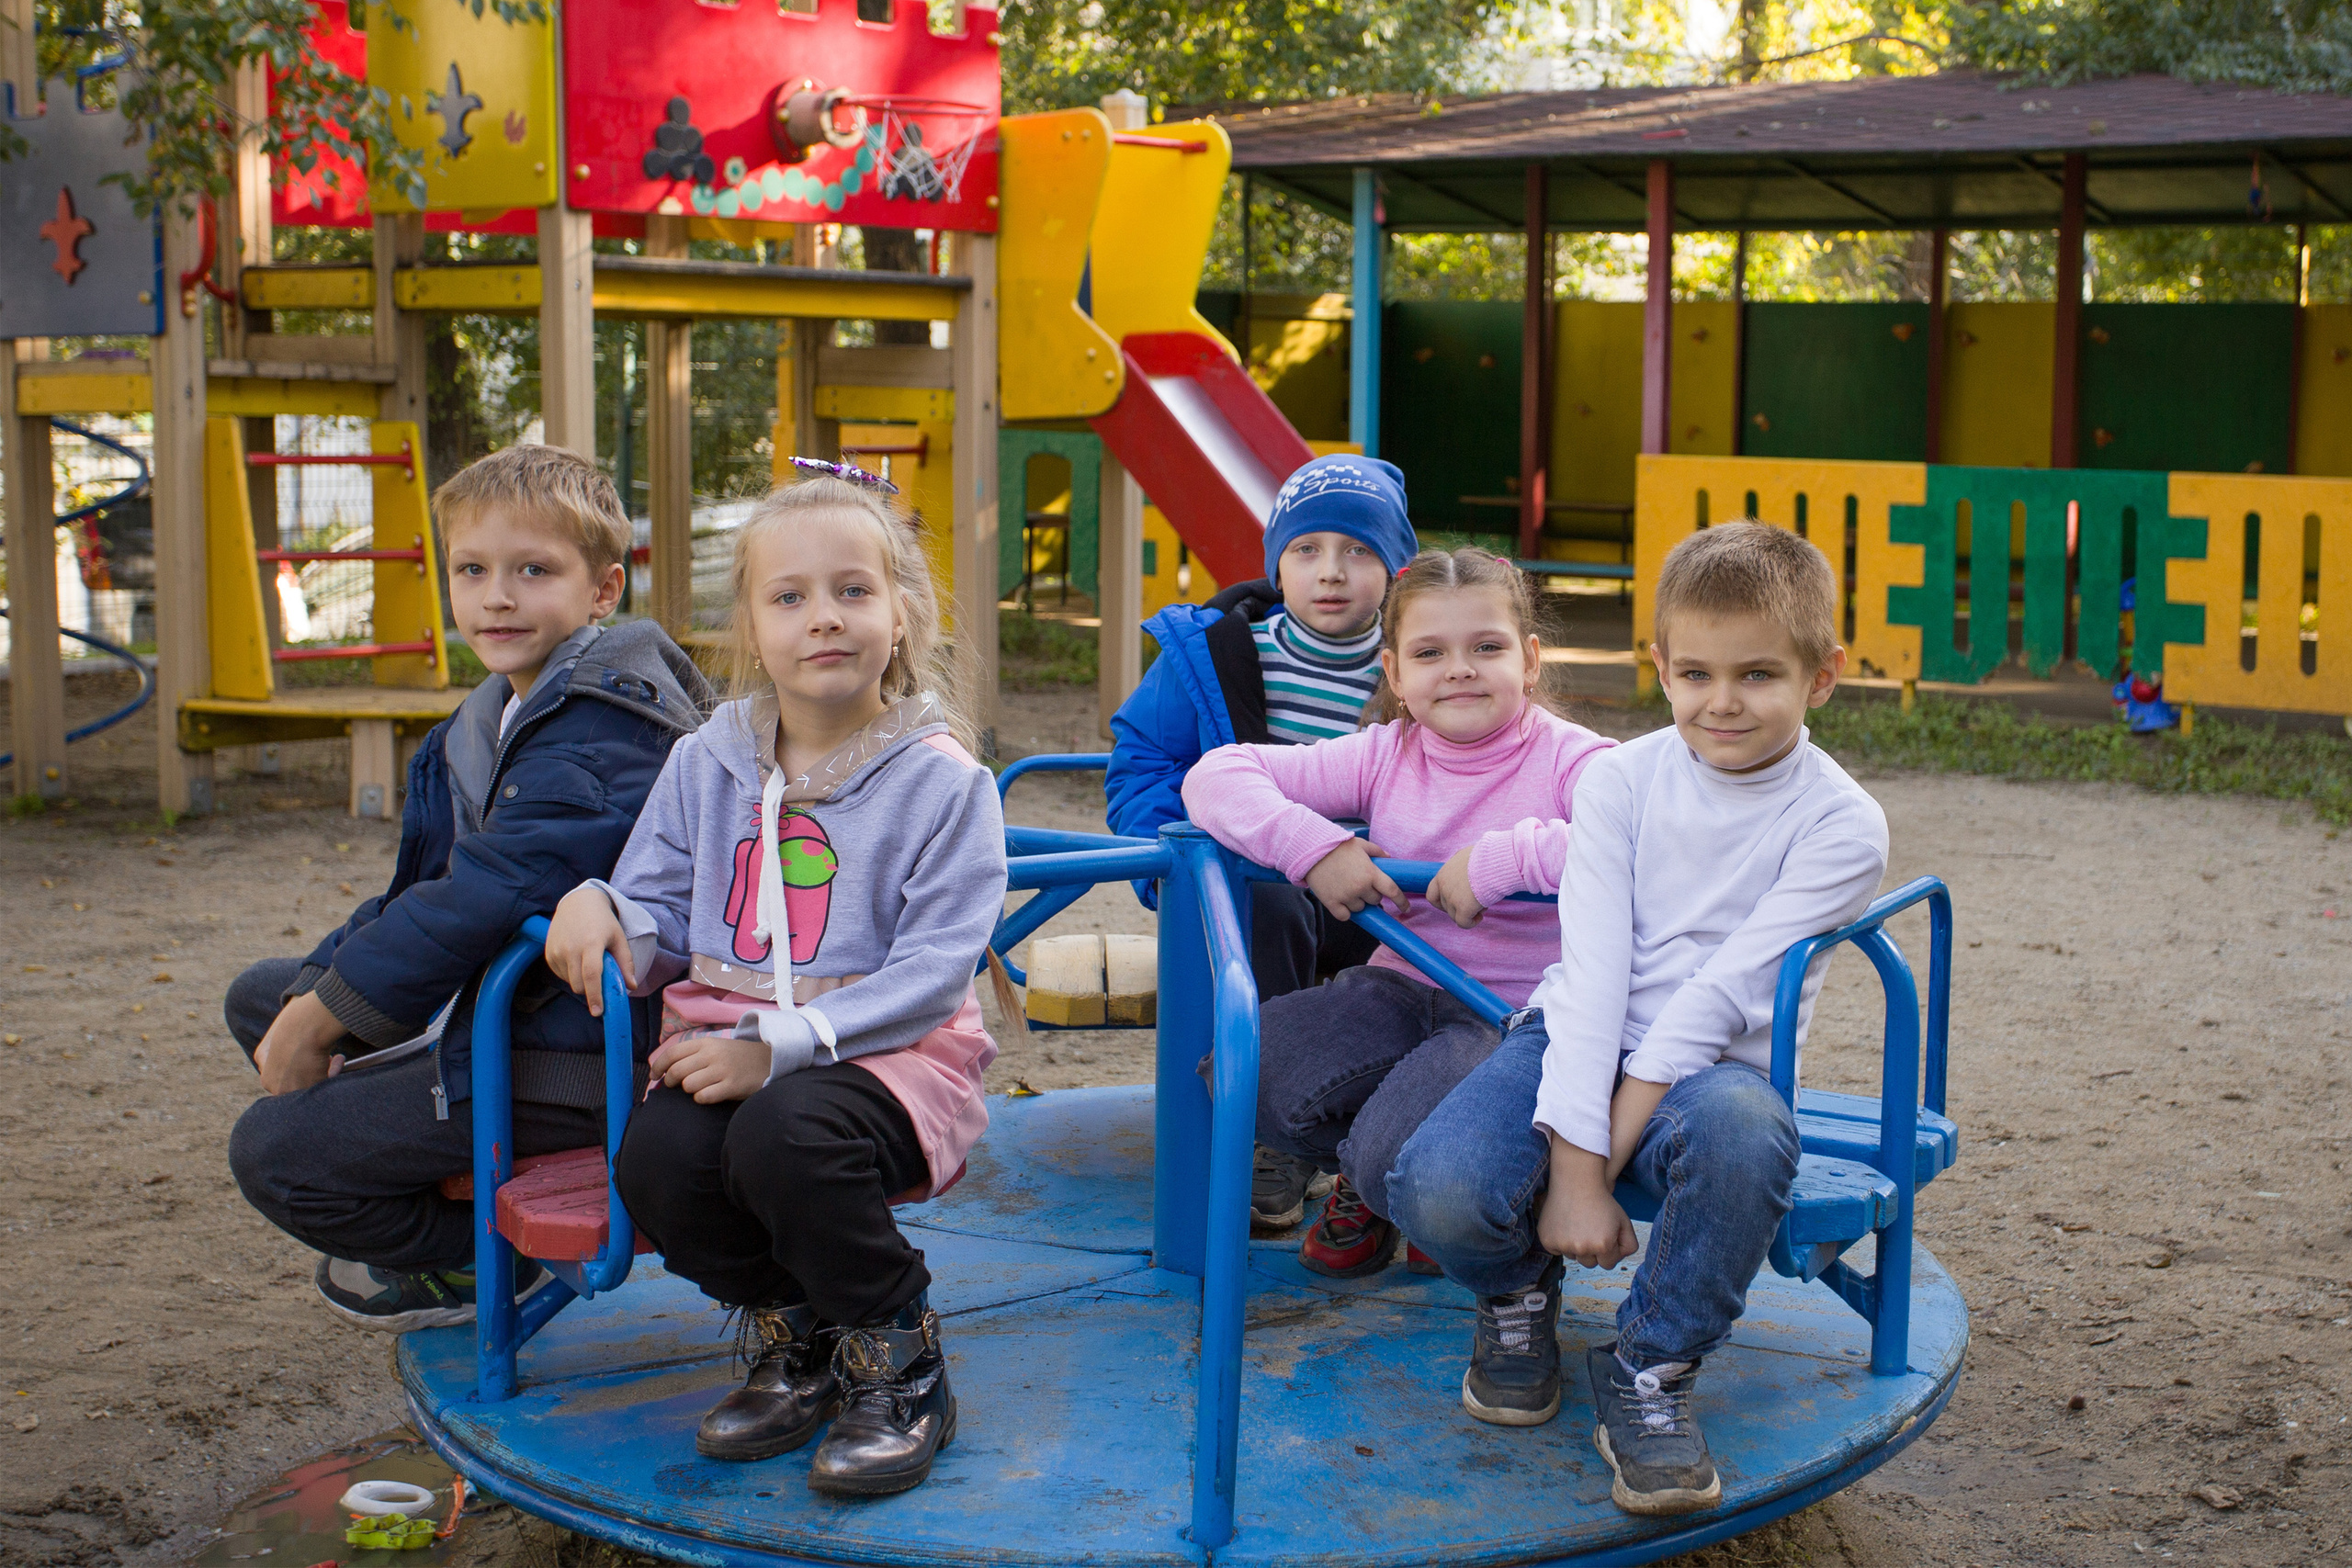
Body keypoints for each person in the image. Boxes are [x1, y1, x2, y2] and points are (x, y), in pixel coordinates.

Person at [1387, 523, 1890, 1515]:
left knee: (1747, 1138)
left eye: (1757, 675)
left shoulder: (1840, 822)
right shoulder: (1622, 778)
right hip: (1574, 1031)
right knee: (1434, 1190)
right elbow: (1595, 970)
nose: (1722, 702)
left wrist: (1590, 1165)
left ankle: (1651, 1367)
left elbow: (1715, 1000)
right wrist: (1571, 1164)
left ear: (1821, 676)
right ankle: (1517, 1292)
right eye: (1694, 673)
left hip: (1711, 1074)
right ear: (1657, 665)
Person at [543, 465, 1005, 1499]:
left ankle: (897, 1350)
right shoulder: (710, 758)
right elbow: (653, 902)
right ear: (752, 628)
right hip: (728, 1039)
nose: (823, 619)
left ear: (903, 615)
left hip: (890, 1056)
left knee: (783, 1136)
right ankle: (799, 1333)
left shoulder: (942, 782)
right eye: (788, 597)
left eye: (853, 591)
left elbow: (935, 974)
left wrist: (782, 1046)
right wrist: (602, 905)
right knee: (659, 1161)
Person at [225, 444, 713, 1331]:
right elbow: (424, 884)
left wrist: (324, 1017)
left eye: (534, 570)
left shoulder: (610, 721)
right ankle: (414, 1154)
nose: (499, 595)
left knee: (274, 1152)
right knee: (266, 996)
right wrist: (316, 998)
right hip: (519, 1008)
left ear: (603, 590)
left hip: (591, 1056)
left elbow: (479, 896)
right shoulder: (496, 712)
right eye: (473, 569)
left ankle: (479, 1257)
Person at [1181, 548, 1611, 1282]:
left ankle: (1422, 1197)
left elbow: (1638, 832)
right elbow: (1215, 774)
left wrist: (1502, 861)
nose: (1459, 669)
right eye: (1430, 652)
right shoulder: (1386, 753)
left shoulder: (1572, 758)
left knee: (1394, 1158)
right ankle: (1390, 1181)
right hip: (1400, 986)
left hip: (1507, 1012)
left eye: (1487, 647)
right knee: (1241, 1072)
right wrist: (1314, 847)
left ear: (1530, 660)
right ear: (1395, 675)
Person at [1104, 455, 1419, 1231]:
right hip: (1255, 891)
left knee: (1443, 940)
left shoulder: (1422, 665)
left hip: (1386, 889)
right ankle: (1269, 1125)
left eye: (1359, 552)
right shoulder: (1214, 655)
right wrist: (1176, 871)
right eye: (1307, 550)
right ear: (1276, 561)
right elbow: (1142, 767)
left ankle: (1400, 1135)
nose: (1331, 573)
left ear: (1396, 568)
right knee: (1267, 894)